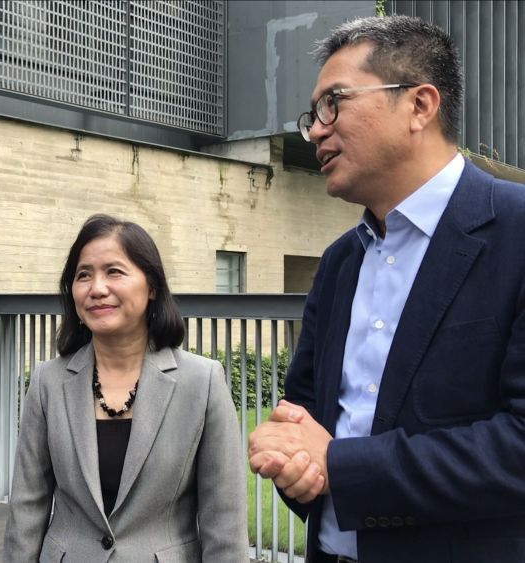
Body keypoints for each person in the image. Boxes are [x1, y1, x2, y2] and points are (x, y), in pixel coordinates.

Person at [248, 15, 525, 563]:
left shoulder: (515, 233)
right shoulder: (339, 263)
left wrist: (341, 467)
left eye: (335, 103)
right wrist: (290, 459)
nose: (316, 130)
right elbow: (306, 414)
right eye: (313, 114)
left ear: (420, 106)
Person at [4, 214, 247, 562]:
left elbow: (224, 521)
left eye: (114, 271)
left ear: (151, 287)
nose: (96, 288)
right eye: (83, 275)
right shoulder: (48, 382)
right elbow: (27, 509)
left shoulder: (202, 382)